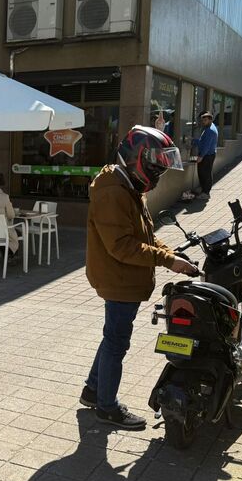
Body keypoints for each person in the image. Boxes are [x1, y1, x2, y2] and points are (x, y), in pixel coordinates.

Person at [80, 126, 198, 429]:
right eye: (155, 165)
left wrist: (172, 255)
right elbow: (122, 245)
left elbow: (144, 234)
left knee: (112, 338)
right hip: (119, 278)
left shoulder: (126, 184)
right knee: (117, 342)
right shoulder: (112, 191)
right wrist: (167, 260)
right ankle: (107, 407)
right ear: (137, 159)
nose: (158, 172)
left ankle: (93, 390)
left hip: (125, 277)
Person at [192, 112, 218, 200]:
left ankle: (205, 193)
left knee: (204, 174)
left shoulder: (209, 130)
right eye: (203, 120)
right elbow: (203, 142)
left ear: (211, 120)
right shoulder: (210, 127)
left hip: (207, 155)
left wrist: (201, 156)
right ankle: (204, 190)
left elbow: (206, 146)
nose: (203, 122)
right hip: (209, 154)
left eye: (205, 120)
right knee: (205, 173)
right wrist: (195, 141)